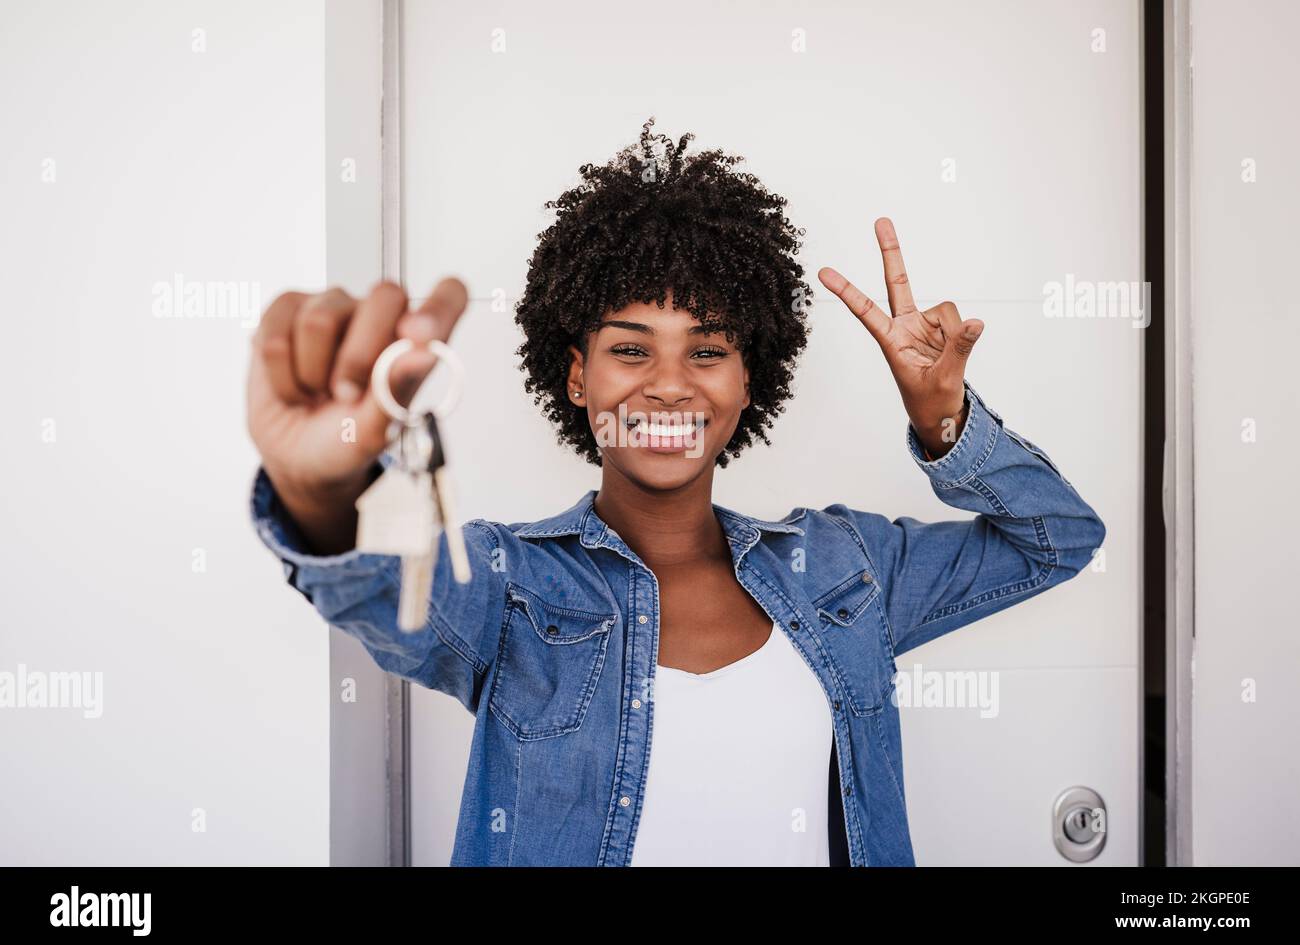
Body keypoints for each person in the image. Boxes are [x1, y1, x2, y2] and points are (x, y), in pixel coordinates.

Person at [246, 118, 1105, 866]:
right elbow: (375, 586)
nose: (668, 386)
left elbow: (1059, 538)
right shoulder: (506, 585)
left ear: (746, 381)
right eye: (629, 350)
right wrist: (320, 487)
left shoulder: (849, 568)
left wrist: (945, 423)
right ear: (575, 377)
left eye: (706, 351)